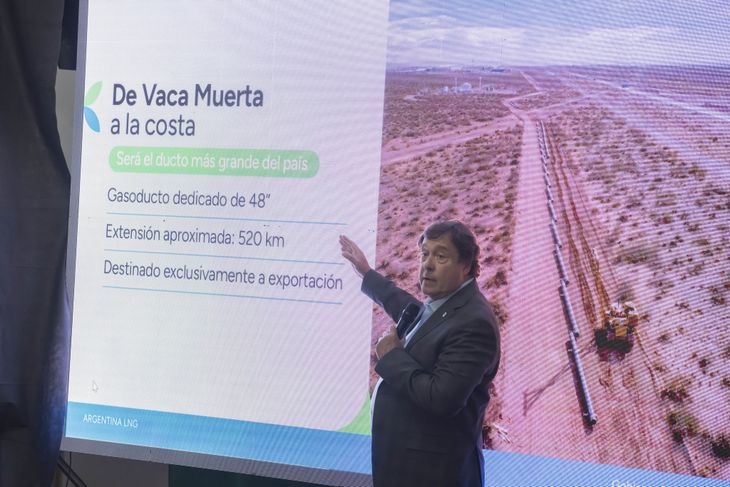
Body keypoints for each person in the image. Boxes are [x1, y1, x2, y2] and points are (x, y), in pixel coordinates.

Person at [340, 220, 500, 487]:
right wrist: (366, 273)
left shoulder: (475, 324)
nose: (428, 264)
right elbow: (408, 308)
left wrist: (392, 356)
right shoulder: (448, 304)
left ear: (465, 265)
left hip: (433, 475)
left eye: (441, 256)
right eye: (425, 254)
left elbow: (441, 399)